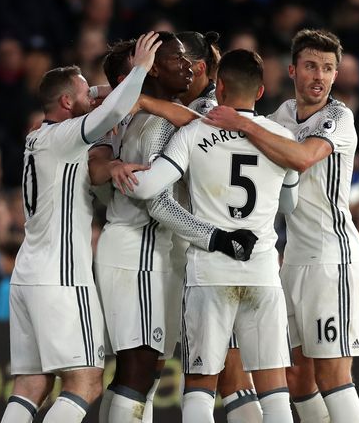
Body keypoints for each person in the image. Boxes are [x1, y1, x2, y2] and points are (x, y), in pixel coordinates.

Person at [122, 48, 299, 423]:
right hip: (263, 271)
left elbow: (148, 189)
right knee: (275, 394)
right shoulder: (281, 138)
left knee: (200, 389)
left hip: (210, 274)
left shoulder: (193, 133)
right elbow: (290, 204)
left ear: (218, 88)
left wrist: (120, 168)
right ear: (261, 91)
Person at [94, 33, 259, 423]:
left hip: (136, 248)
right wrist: (216, 237)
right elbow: (157, 201)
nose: (188, 67)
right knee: (139, 371)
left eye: (187, 59)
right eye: (174, 60)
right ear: (150, 68)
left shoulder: (136, 117)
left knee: (139, 374)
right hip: (140, 250)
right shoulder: (157, 123)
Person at [207, 29, 359, 423]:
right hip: (292, 259)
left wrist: (245, 127)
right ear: (292, 70)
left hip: (333, 259)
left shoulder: (338, 117)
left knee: (333, 375)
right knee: (297, 377)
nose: (320, 76)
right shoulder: (279, 117)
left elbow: (301, 158)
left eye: (329, 69)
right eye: (312, 66)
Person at [0, 32, 160, 423]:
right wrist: (139, 70)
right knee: (86, 381)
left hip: (28, 275)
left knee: (31, 386)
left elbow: (98, 104)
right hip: (62, 276)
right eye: (86, 94)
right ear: (68, 103)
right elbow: (109, 113)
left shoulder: (38, 138)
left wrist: (109, 87)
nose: (94, 98)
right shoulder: (67, 135)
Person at [178, 30, 263, 422]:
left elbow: (155, 196)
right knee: (233, 374)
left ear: (202, 70)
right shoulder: (246, 121)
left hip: (205, 255)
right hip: (243, 256)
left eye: (177, 62)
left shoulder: (207, 115)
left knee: (207, 377)